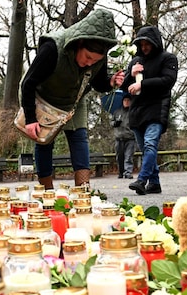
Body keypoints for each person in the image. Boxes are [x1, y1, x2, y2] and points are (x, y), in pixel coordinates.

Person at [20, 8, 124, 189]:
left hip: (74, 101)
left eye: (95, 60)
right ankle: (46, 190)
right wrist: (30, 119)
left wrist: (111, 82)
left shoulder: (98, 56)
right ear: (80, 42)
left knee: (79, 138)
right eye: (87, 57)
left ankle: (83, 189)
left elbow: (98, 83)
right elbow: (28, 83)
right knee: (44, 141)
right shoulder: (53, 48)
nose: (90, 63)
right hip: (45, 99)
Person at [119, 25, 179, 196]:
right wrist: (131, 73)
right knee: (146, 149)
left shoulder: (167, 58)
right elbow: (123, 86)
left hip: (156, 107)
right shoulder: (135, 61)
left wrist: (142, 84)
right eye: (142, 44)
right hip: (136, 111)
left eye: (147, 44)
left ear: (155, 42)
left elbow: (168, 80)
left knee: (150, 144)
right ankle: (154, 183)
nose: (144, 47)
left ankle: (142, 180)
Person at [112, 93, 136, 179]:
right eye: (125, 100)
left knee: (128, 156)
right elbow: (111, 122)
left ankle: (128, 172)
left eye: (128, 101)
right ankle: (121, 172)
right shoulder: (117, 112)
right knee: (119, 156)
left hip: (130, 137)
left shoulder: (133, 112)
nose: (126, 102)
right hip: (119, 137)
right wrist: (115, 123)